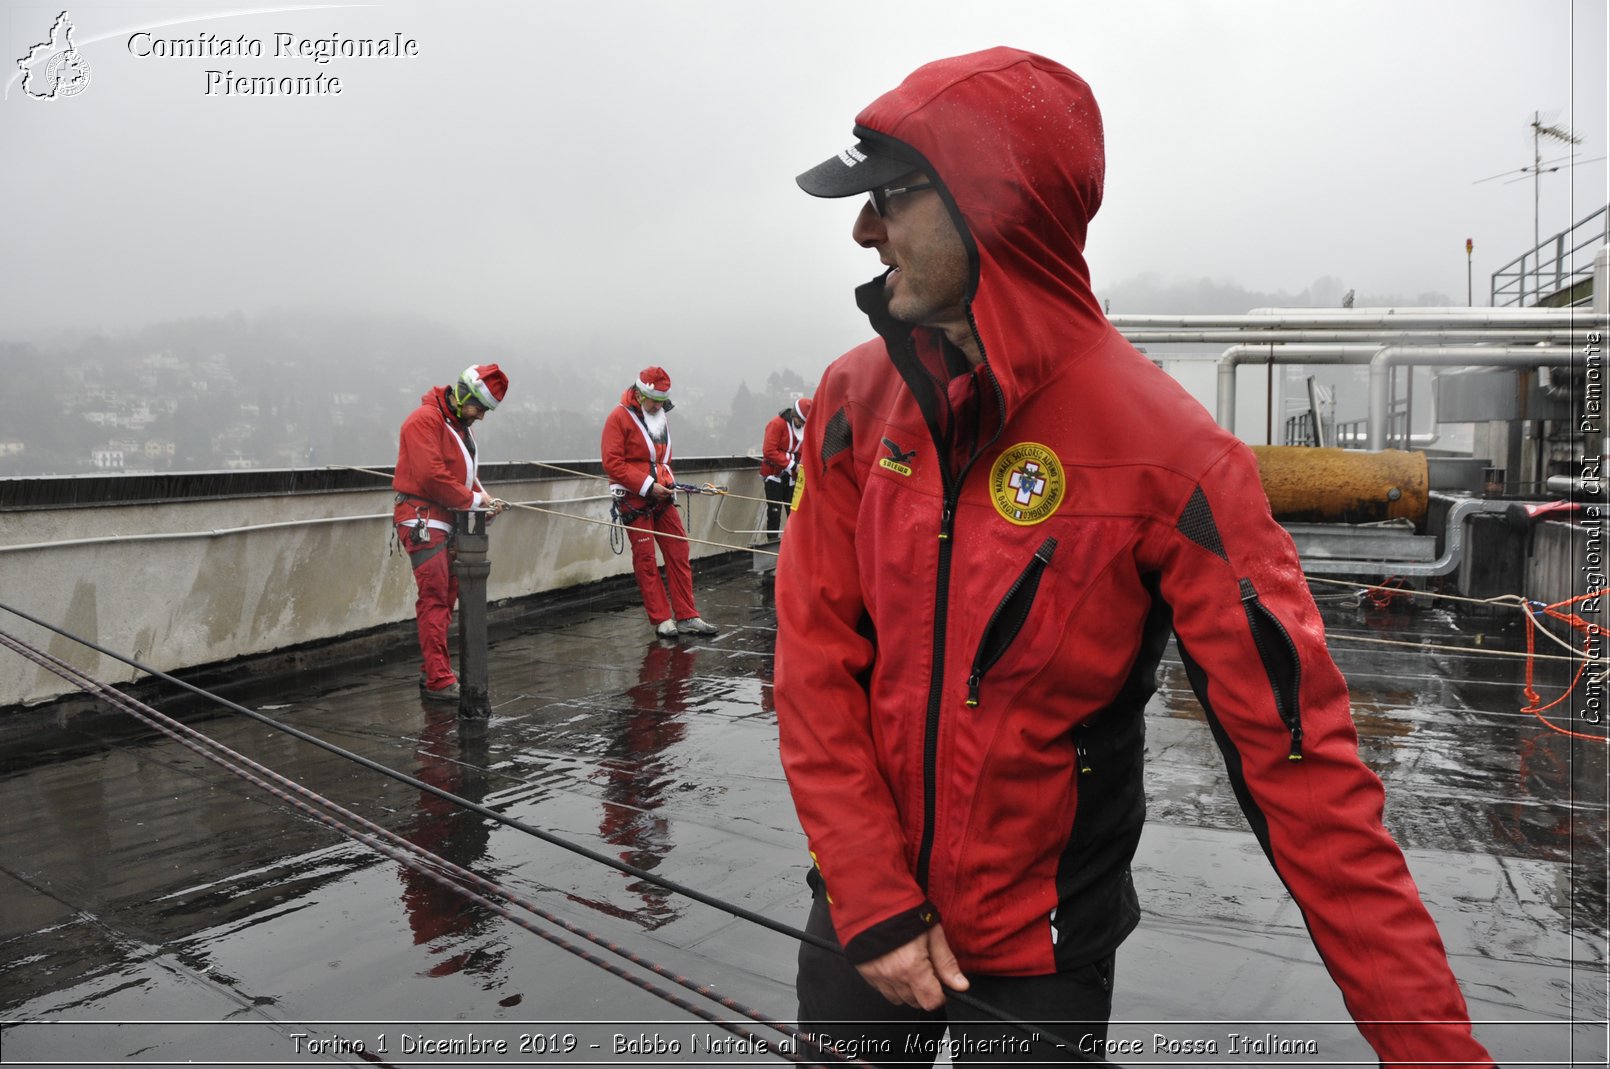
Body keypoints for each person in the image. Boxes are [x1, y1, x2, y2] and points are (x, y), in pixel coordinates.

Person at [774, 47, 1494, 1067]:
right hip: (858, 917)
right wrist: (873, 898)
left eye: (890, 195)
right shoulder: (853, 400)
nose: (861, 228)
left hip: (1041, 953)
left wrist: (1439, 1052)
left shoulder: (1174, 460)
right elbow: (811, 660)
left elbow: (1305, 774)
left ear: (993, 208)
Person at [393, 363, 509, 702]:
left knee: (446, 595)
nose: (482, 416)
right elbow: (432, 477)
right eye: (480, 408)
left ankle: (434, 670)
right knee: (435, 596)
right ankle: (439, 680)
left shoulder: (456, 425)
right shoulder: (424, 421)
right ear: (463, 396)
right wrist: (475, 500)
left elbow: (462, 475)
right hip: (422, 518)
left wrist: (484, 500)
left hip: (442, 517)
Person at [601, 366, 719, 639]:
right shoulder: (618, 418)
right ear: (641, 396)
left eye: (662, 402)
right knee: (645, 559)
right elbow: (612, 463)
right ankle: (662, 619)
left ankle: (688, 615)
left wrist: (666, 484)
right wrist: (646, 485)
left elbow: (661, 459)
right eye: (656, 401)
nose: (659, 406)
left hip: (662, 493)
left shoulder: (659, 417)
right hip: (634, 497)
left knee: (678, 549)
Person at [759, 397, 812, 536]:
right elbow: (769, 450)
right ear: (794, 415)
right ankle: (772, 543)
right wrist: (792, 464)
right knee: (774, 513)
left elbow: (803, 451)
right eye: (800, 420)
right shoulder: (777, 424)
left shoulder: (803, 429)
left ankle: (793, 545)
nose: (801, 424)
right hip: (774, 475)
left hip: (792, 478)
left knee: (794, 513)